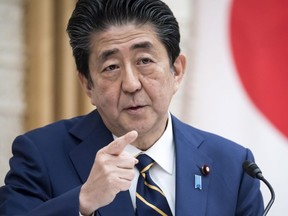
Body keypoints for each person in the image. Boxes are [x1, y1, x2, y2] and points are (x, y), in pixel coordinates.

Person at [0, 0, 264, 215]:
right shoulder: (40, 155)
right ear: (87, 85)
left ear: (177, 70)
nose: (131, 83)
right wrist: (83, 201)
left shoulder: (234, 167)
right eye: (111, 67)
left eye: (145, 61)